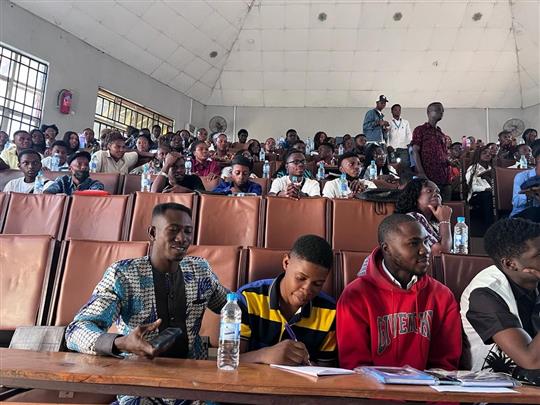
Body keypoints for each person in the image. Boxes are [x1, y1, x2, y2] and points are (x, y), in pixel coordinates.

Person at [65, 203, 229, 404]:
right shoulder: (123, 274)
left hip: (194, 386)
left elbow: (230, 305)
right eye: (174, 230)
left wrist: (264, 291)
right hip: (140, 387)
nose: (182, 238)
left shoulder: (200, 270)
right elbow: (76, 330)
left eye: (188, 231)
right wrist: (121, 343)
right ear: (152, 233)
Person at [337, 214, 461, 370]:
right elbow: (355, 365)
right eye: (414, 243)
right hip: (373, 391)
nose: (425, 250)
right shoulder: (355, 295)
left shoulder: (442, 295)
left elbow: (445, 363)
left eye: (426, 241)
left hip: (427, 391)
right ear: (386, 248)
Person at [238, 235, 336, 366]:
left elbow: (327, 372)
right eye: (300, 278)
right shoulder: (248, 299)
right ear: (286, 263)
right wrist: (264, 355)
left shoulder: (329, 312)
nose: (307, 290)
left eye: (317, 284)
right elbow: (228, 360)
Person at [461, 218, 540, 373]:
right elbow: (531, 360)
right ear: (510, 264)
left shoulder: (534, 280)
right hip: (502, 390)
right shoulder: (484, 294)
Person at [395, 178, 453, 255]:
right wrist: (445, 221)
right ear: (415, 196)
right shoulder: (414, 218)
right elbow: (441, 253)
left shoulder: (432, 221)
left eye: (438, 192)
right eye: (429, 191)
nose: (436, 194)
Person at [411, 102, 452, 201]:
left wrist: (449, 162)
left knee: (445, 206)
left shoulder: (440, 132)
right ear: (429, 112)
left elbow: (444, 153)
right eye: (438, 110)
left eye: (442, 110)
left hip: (444, 176)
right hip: (429, 176)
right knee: (431, 206)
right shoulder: (420, 130)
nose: (441, 112)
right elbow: (414, 151)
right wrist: (420, 172)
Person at [466, 145, 495, 235]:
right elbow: (472, 186)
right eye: (484, 153)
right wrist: (485, 188)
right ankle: (489, 227)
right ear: (478, 155)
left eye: (489, 154)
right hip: (477, 195)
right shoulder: (473, 168)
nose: (488, 155)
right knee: (487, 196)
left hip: (492, 193)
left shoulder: (492, 168)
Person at [511, 143, 540, 222]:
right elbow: (515, 201)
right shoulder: (522, 176)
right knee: (535, 211)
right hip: (521, 215)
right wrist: (530, 196)